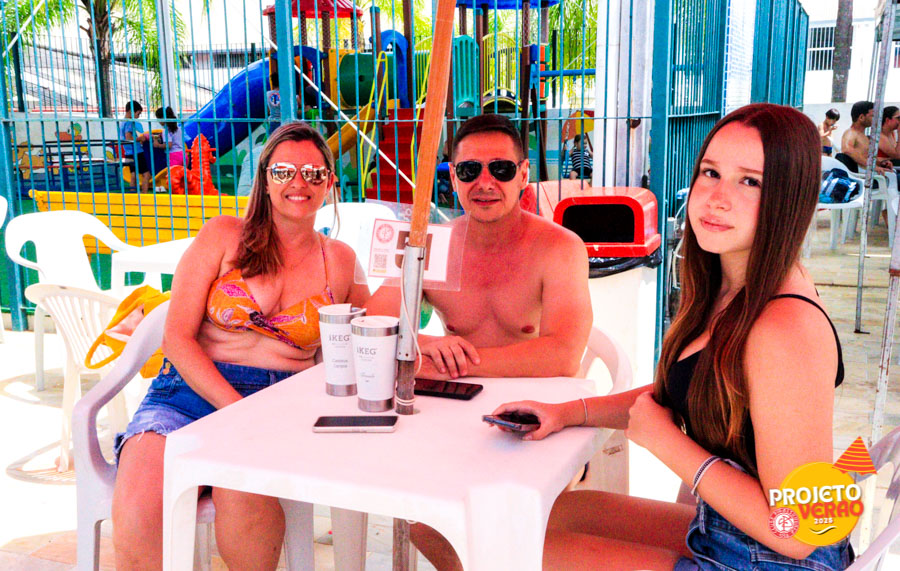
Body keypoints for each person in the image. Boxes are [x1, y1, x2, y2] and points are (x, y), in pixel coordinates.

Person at [492, 103, 852, 571]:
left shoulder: (784, 327)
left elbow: (802, 532)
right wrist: (567, 413)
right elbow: (687, 389)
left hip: (777, 558)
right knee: (552, 514)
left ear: (790, 198)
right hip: (728, 530)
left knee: (493, 551)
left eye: (750, 181)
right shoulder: (731, 287)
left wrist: (667, 443)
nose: (716, 198)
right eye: (710, 173)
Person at [111, 122, 370, 570]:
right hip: (188, 393)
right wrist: (237, 410)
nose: (298, 183)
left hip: (279, 403)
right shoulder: (223, 235)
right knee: (140, 501)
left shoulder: (340, 259)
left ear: (330, 181)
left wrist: (416, 274)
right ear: (265, 179)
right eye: (284, 171)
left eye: (313, 173)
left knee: (241, 490)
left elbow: (374, 333)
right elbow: (177, 338)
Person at [366, 113, 591, 381]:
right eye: (469, 170)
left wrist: (455, 364)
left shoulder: (559, 248)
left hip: (536, 396)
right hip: (458, 396)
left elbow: (564, 355)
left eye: (501, 169)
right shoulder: (429, 246)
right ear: (453, 177)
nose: (484, 183)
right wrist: (424, 342)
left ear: (523, 175)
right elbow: (373, 321)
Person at [840, 100, 890, 173]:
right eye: (872, 116)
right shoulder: (851, 133)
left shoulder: (863, 135)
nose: (875, 119)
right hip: (860, 176)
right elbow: (847, 150)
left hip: (866, 173)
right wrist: (872, 166)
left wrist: (882, 163)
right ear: (861, 117)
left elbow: (864, 157)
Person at [119, 100, 151, 192]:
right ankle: (144, 195)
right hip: (136, 152)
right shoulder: (130, 122)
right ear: (131, 111)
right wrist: (140, 138)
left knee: (134, 174)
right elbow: (128, 137)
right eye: (138, 114)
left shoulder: (122, 122)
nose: (138, 116)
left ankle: (133, 196)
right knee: (146, 174)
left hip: (128, 152)